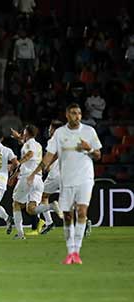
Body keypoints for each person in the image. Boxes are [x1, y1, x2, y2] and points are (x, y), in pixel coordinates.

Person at [28, 103, 102, 265]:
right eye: (73, 113)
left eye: (79, 113)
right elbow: (49, 156)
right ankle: (70, 252)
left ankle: (77, 250)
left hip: (85, 178)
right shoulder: (60, 134)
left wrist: (89, 149)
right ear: (67, 115)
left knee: (81, 212)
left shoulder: (89, 132)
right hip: (66, 179)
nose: (77, 116)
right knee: (68, 215)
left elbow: (98, 155)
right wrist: (35, 173)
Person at [9, 125, 62, 240]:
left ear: (27, 133)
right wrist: (18, 137)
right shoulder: (37, 144)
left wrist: (18, 163)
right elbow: (29, 149)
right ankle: (51, 206)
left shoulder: (29, 144)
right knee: (31, 209)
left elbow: (30, 154)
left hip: (27, 178)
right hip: (38, 179)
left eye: (24, 131)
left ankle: (20, 234)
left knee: (16, 204)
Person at [40, 120, 64, 234]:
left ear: (55, 129)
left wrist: (47, 164)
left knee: (42, 196)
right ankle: (85, 222)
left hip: (56, 174)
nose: (49, 131)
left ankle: (49, 222)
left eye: (50, 128)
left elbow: (54, 155)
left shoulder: (53, 140)